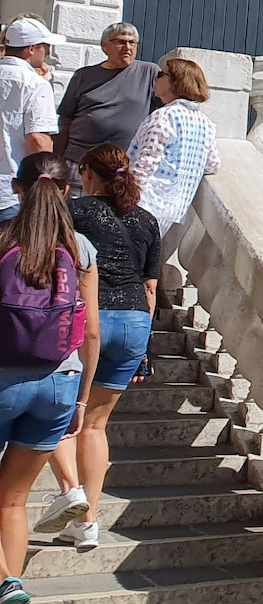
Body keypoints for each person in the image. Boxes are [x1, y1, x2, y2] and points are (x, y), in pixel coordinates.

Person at [1, 153, 100, 604]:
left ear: (17, 188)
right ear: (66, 191)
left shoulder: (2, 239)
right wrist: (82, 398)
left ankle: (5, 583)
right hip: (60, 384)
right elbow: (92, 332)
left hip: (3, 379)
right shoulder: (80, 249)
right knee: (12, 502)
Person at [33, 145, 156, 552]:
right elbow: (150, 288)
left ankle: (71, 493)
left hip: (93, 318)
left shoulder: (77, 211)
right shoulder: (146, 219)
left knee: (61, 415)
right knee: (96, 426)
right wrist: (146, 351)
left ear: (87, 173)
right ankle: (87, 524)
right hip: (136, 322)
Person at [127, 58, 221, 237]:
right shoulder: (206, 124)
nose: (155, 79)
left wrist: (124, 203)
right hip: (173, 211)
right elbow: (213, 165)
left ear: (175, 81)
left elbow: (144, 166)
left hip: (145, 205)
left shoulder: (164, 116)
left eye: (160, 75)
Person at [55, 23, 158, 168]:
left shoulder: (149, 73)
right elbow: (65, 119)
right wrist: (58, 160)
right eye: (121, 42)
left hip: (126, 164)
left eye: (132, 42)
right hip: (81, 161)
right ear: (104, 46)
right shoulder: (84, 76)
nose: (128, 47)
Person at [0, 19, 61, 227]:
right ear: (32, 48)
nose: (48, 52)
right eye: (45, 46)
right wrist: (50, 181)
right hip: (11, 191)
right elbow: (38, 139)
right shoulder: (35, 84)